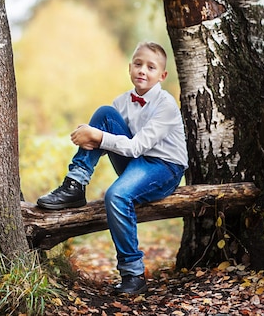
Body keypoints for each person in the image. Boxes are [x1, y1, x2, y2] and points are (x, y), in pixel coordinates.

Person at [36, 41, 188, 295]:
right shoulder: (122, 102)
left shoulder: (166, 105)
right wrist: (95, 134)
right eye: (138, 64)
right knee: (104, 113)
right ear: (130, 67)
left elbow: (136, 147)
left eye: (151, 67)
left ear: (162, 76)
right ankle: (75, 183)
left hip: (164, 167)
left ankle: (133, 274)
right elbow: (114, 139)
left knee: (116, 195)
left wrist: (96, 136)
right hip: (137, 162)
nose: (142, 70)